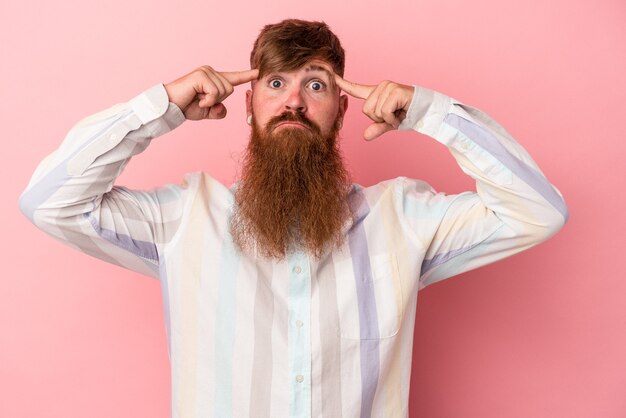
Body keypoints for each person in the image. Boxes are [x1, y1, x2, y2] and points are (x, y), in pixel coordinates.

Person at [19, 18, 568, 418]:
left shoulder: (404, 219)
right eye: (275, 83)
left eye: (316, 84)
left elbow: (536, 211)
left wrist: (430, 113)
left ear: (344, 106)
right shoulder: (183, 219)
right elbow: (49, 201)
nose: (294, 103)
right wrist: (159, 108)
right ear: (249, 100)